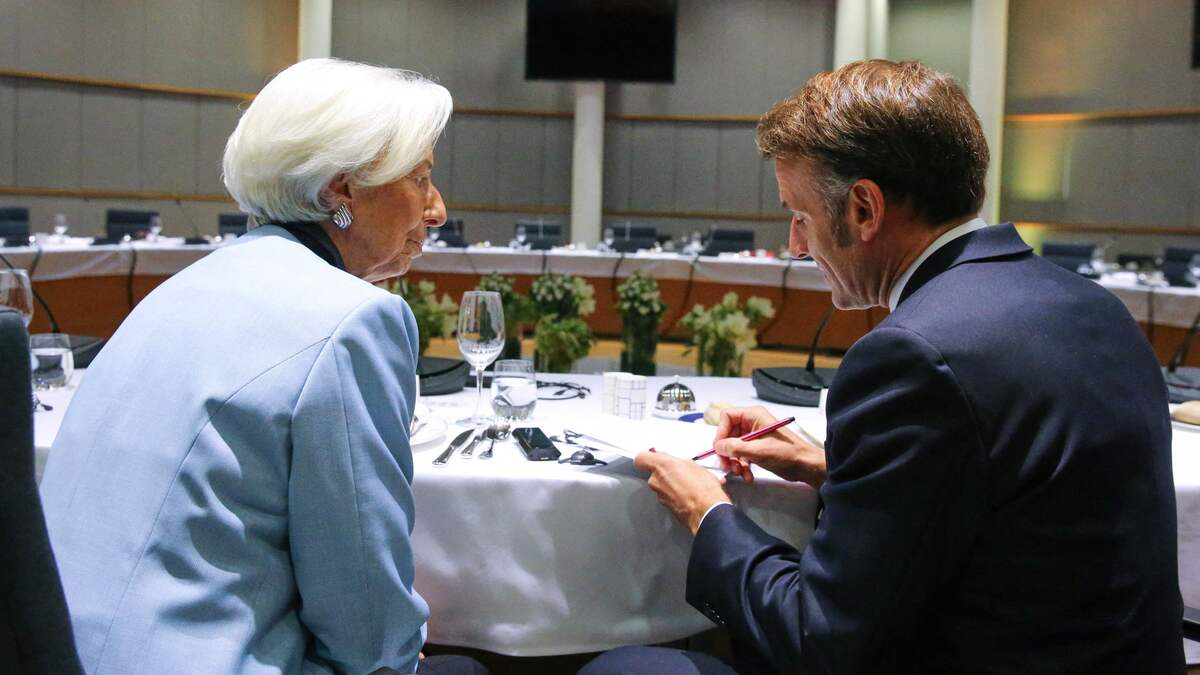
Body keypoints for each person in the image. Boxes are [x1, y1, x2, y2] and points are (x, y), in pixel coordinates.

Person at [585, 60, 1183, 673]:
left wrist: (704, 509)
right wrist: (837, 468)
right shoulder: (1096, 307)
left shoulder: (913, 354)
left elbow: (817, 638)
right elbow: (1023, 508)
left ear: (865, 209)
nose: (795, 246)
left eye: (800, 216)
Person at [40, 58, 485, 674]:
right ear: (342, 189)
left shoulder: (178, 289)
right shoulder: (354, 318)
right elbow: (365, 609)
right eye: (421, 179)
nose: (436, 210)